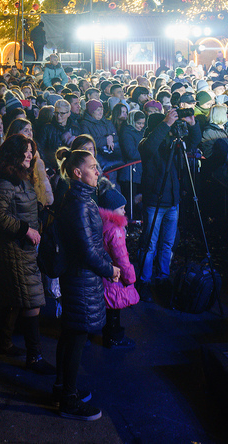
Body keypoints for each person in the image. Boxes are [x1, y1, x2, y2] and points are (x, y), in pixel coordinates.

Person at [0, 134, 53, 373]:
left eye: (31, 152)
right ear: (13, 154)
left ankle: (5, 342)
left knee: (15, 299)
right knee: (31, 300)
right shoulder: (5, 181)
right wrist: (25, 230)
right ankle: (35, 357)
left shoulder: (19, 177)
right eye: (25, 152)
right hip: (14, 249)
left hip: (23, 247)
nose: (30, 156)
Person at [55, 148, 119, 420]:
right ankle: (68, 400)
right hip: (80, 280)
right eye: (93, 167)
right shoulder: (80, 204)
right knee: (76, 337)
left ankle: (63, 388)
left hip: (80, 277)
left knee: (71, 334)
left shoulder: (81, 199)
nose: (98, 171)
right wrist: (110, 270)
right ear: (77, 173)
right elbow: (87, 251)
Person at [137, 108, 201, 302]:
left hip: (173, 203)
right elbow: (150, 147)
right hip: (154, 202)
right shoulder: (147, 143)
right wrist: (165, 124)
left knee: (167, 244)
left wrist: (192, 124)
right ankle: (144, 281)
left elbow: (193, 142)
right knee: (150, 245)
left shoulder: (173, 144)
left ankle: (163, 277)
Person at [97, 179, 139, 348]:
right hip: (115, 277)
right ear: (112, 210)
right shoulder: (116, 230)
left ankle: (107, 335)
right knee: (114, 308)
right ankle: (114, 338)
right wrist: (130, 277)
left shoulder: (101, 224)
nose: (124, 211)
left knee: (107, 307)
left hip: (103, 274)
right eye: (121, 208)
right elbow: (121, 257)